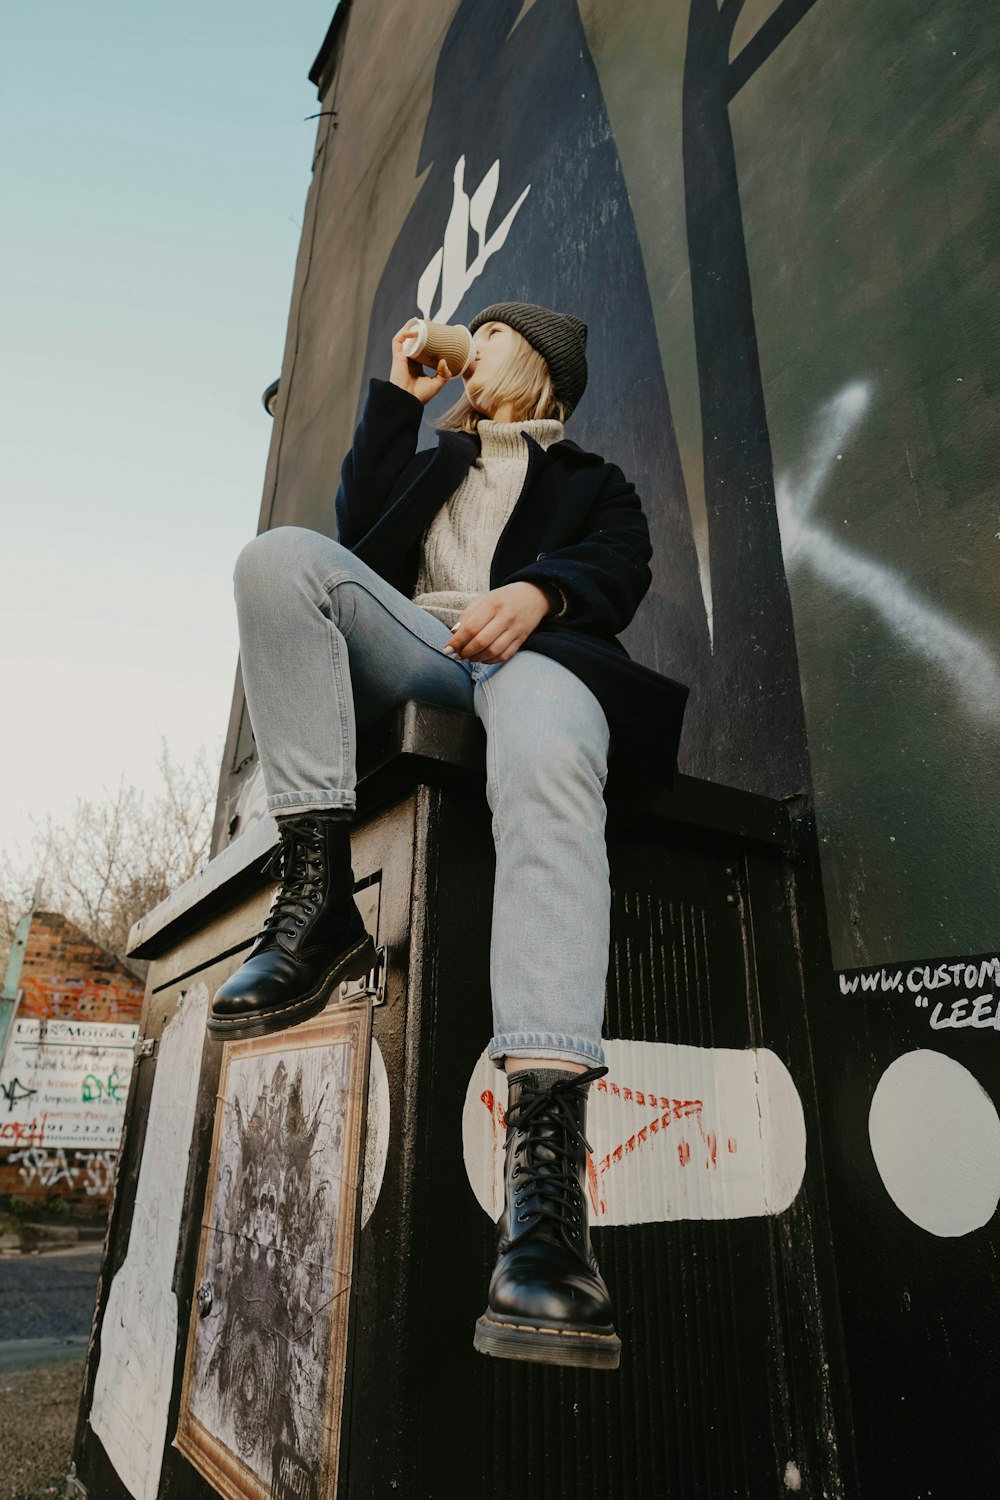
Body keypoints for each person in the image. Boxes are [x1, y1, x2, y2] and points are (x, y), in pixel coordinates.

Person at [207, 302, 689, 1370]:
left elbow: (620, 564)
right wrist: (398, 406)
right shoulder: (438, 457)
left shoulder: (590, 481)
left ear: (540, 368)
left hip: (537, 657)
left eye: (491, 332)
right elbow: (349, 545)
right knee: (273, 562)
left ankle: (543, 1211)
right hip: (420, 643)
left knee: (555, 758)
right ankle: (315, 895)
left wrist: (538, 591)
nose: (471, 343)